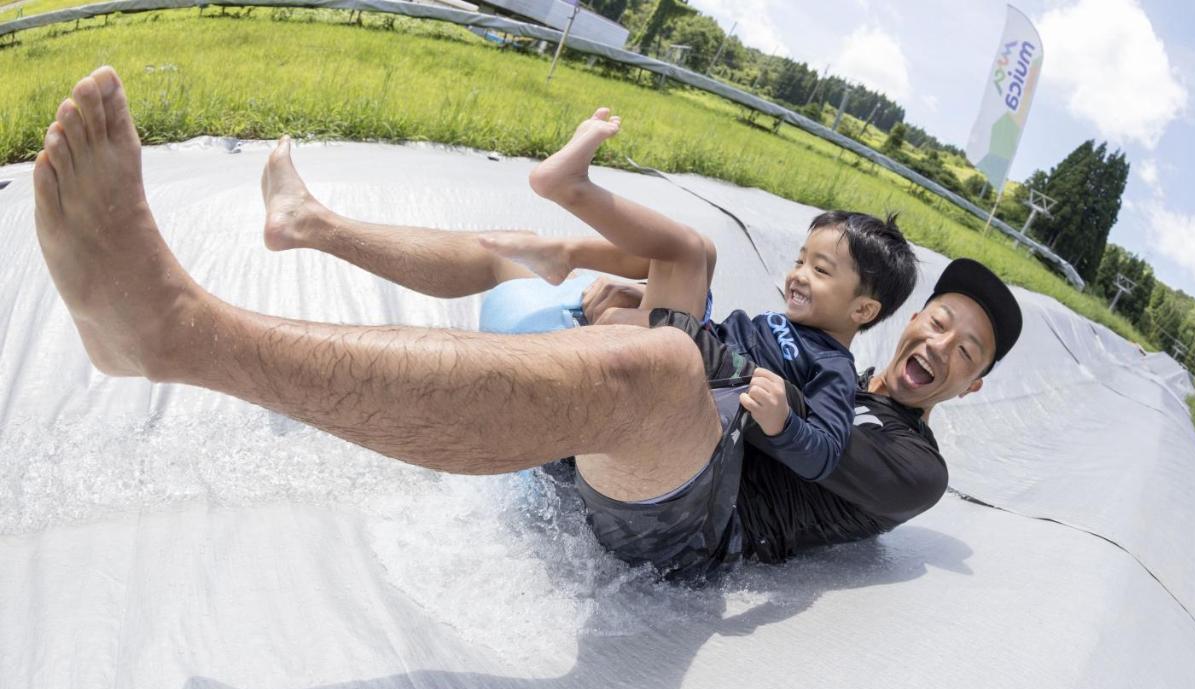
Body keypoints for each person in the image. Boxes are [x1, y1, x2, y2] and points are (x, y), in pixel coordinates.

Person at [32, 67, 1023, 583]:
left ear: (970, 386)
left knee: (662, 368)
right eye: (940, 322)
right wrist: (583, 266)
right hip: (672, 446)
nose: (938, 347)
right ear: (907, 319)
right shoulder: (815, 347)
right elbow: (730, 344)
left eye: (963, 352)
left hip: (694, 530)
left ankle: (175, 333)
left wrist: (690, 353)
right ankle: (314, 226)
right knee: (609, 262)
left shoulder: (910, 463)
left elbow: (798, 445)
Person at [479, 107, 917, 484]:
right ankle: (563, 250)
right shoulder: (789, 325)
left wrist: (782, 422)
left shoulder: (832, 366)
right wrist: (648, 297)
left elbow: (823, 456)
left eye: (820, 271)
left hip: (694, 395)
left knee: (688, 251)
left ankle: (570, 196)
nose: (799, 276)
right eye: (801, 261)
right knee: (703, 250)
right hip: (695, 347)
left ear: (863, 308)